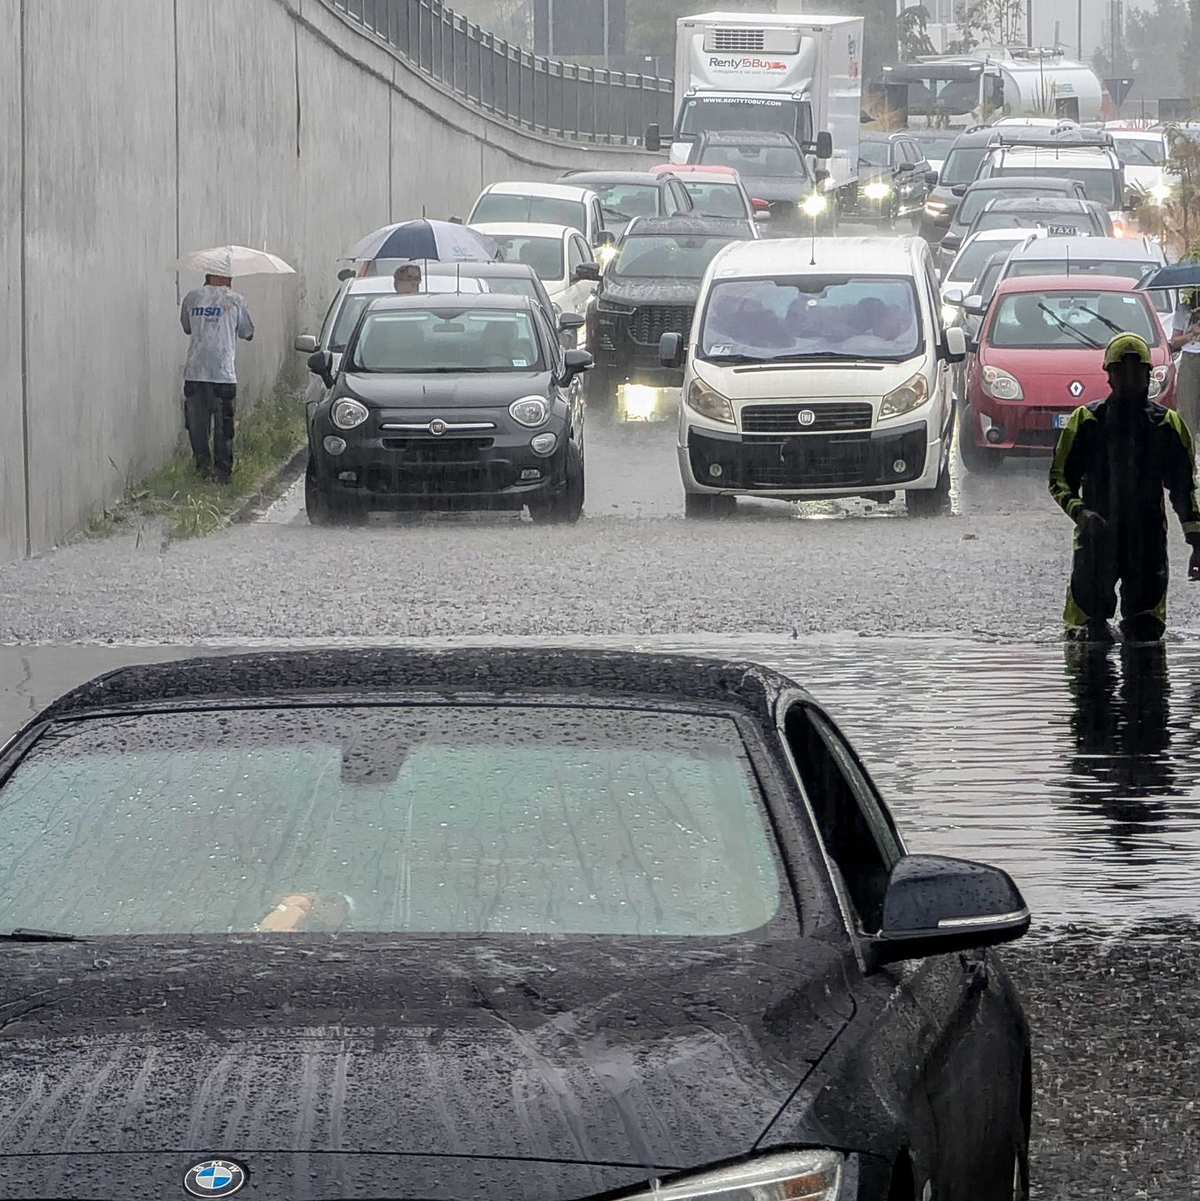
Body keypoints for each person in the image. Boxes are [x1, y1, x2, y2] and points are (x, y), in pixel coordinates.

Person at [1049, 332, 1200, 643]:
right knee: (1085, 639)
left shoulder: (1168, 425)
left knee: (1146, 638)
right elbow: (1059, 479)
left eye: (1137, 371)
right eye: (1122, 371)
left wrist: (1196, 542)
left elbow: (1184, 490)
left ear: (1149, 375)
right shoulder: (1085, 421)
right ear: (1108, 375)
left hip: (1147, 546)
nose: (1130, 379)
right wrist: (1081, 513)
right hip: (1096, 543)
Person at [179, 273, 254, 483]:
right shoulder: (236, 300)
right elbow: (248, 332)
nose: (231, 280)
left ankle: (202, 469)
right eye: (228, 275)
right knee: (224, 428)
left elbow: (187, 327)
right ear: (221, 277)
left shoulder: (191, 298)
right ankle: (222, 474)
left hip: (195, 373)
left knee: (197, 428)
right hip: (223, 375)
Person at [1169, 288, 1200, 432]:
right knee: (1187, 405)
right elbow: (1174, 341)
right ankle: (1188, 438)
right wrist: (1191, 333)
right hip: (1190, 358)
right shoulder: (1184, 310)